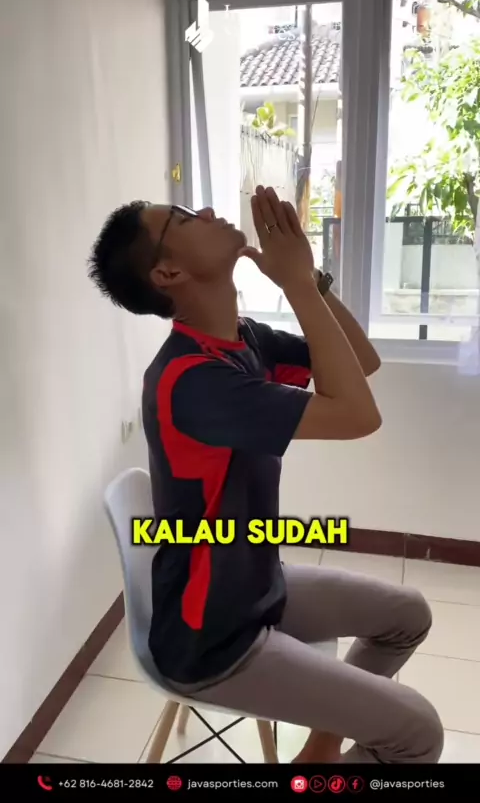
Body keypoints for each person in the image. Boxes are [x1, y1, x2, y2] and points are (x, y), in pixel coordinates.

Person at [88, 186, 443, 763]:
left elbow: (362, 363)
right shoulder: (193, 382)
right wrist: (296, 283)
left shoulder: (242, 339)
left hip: (254, 586)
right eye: (183, 218)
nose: (205, 212)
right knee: (418, 733)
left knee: (408, 616)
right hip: (213, 638)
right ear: (169, 272)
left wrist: (310, 281)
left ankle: (319, 750)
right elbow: (359, 417)